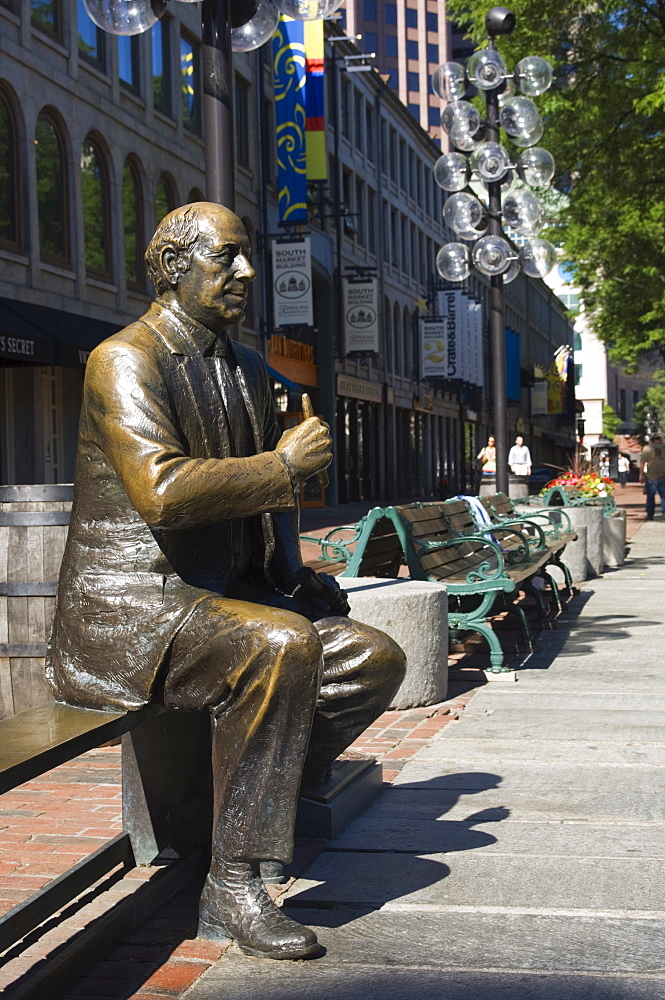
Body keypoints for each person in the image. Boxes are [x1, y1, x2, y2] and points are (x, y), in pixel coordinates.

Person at [46, 203, 405, 961]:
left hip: (215, 603)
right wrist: (283, 467)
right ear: (175, 267)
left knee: (370, 657)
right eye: (227, 257)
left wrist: (291, 573)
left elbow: (259, 502)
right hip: (134, 612)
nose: (246, 272)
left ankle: (237, 808)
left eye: (247, 258)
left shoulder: (240, 366)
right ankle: (233, 880)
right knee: (277, 647)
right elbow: (163, 492)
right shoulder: (123, 358)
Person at [640, 432, 665, 520]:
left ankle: (650, 514)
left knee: (650, 496)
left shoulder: (647, 448)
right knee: (664, 496)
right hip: (663, 474)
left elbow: (643, 462)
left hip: (651, 475)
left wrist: (641, 474)